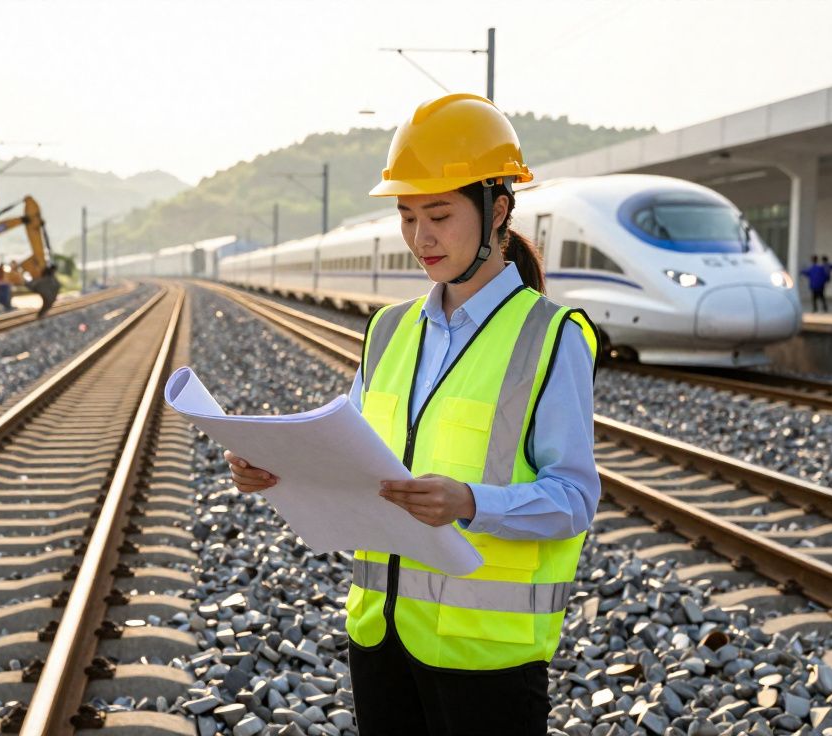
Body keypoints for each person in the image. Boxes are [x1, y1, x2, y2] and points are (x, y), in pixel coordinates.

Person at [225, 94, 599, 736]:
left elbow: (575, 499)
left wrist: (471, 503)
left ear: (497, 210)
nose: (420, 238)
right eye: (406, 216)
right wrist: (277, 468)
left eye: (439, 215)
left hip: (486, 655)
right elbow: (348, 456)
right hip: (381, 637)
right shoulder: (389, 331)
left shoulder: (550, 335)